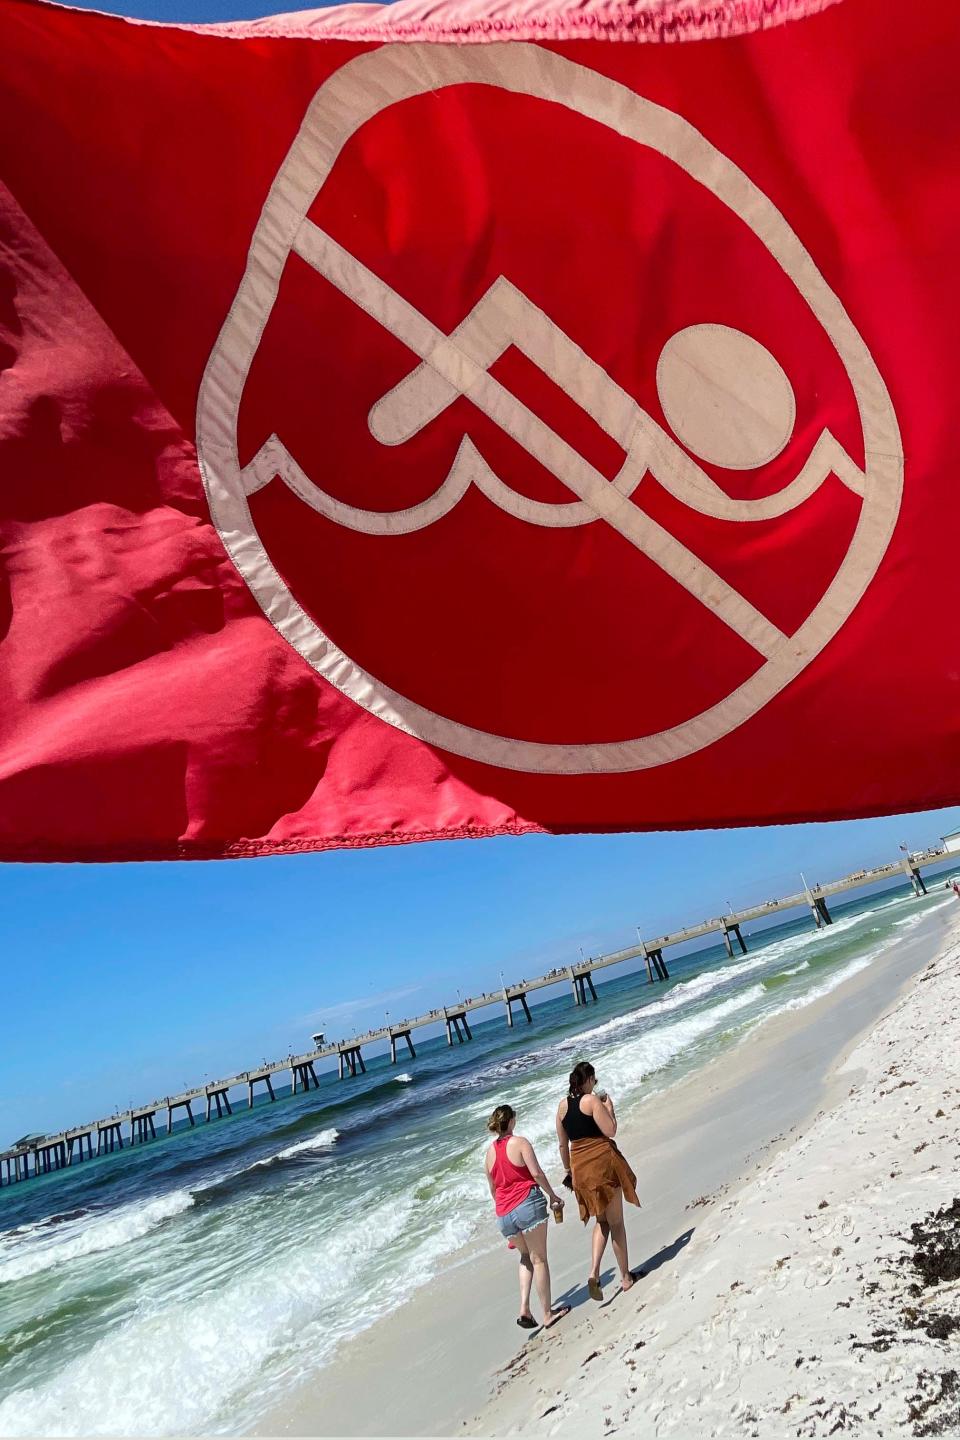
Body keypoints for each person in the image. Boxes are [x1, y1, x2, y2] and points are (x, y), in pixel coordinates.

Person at [556, 1060, 640, 1301]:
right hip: (602, 1165)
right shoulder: (591, 1101)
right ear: (589, 1079)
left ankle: (594, 1271)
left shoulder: (561, 1107)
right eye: (594, 1080)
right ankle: (625, 1277)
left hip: (580, 1169)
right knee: (616, 1223)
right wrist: (610, 1108)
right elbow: (610, 1130)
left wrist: (568, 1171)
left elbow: (563, 1144)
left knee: (601, 1222)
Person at [484, 1104, 571, 1330]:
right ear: (511, 1121)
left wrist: (508, 1214)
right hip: (527, 1204)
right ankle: (547, 1313)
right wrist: (552, 1196)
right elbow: (536, 1174)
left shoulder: (489, 1153)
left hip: (504, 1215)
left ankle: (524, 1308)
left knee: (525, 1256)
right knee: (539, 1259)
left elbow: (493, 1190)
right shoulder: (520, 1142)